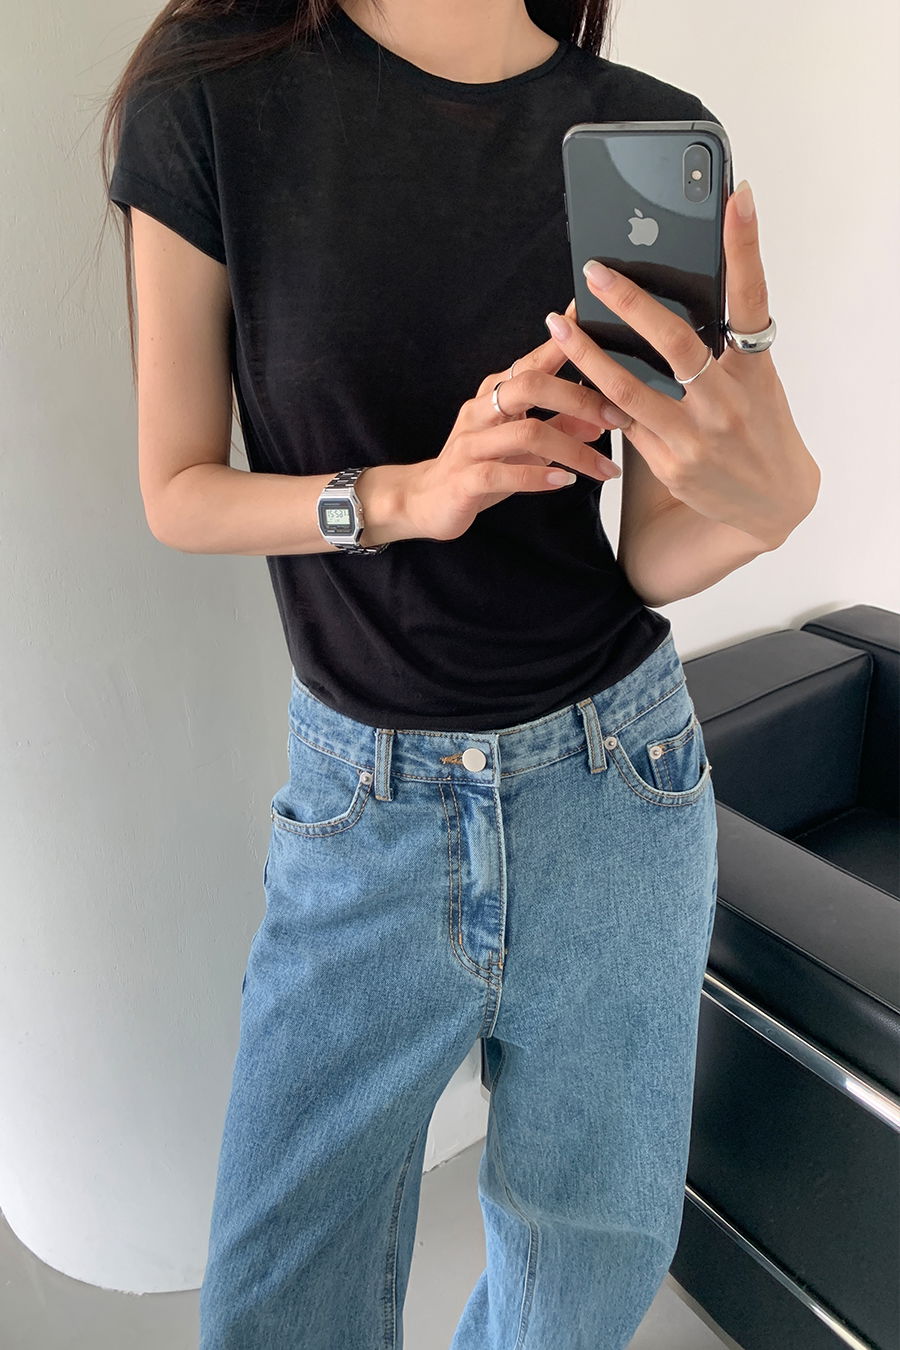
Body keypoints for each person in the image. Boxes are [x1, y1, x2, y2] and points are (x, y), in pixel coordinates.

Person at [102, 2, 819, 1346]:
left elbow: (650, 554)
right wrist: (407, 496)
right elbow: (178, 488)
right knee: (275, 1301)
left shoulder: (645, 131)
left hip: (618, 783)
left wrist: (772, 505)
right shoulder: (210, 96)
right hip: (362, 807)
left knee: (580, 1281)